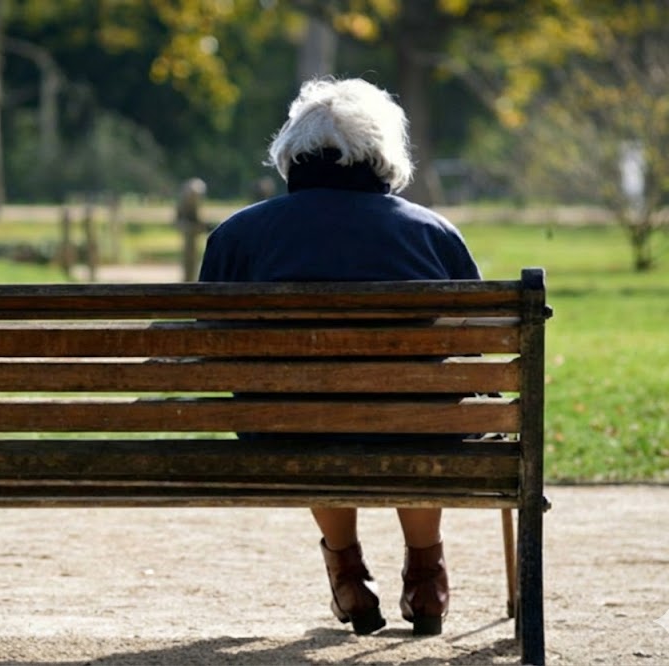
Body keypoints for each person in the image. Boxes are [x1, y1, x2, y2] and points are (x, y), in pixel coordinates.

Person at [198, 77, 481, 637]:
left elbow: (209, 341)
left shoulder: (238, 236)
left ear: (292, 151)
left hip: (287, 429)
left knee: (305, 412)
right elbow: (475, 343)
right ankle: (426, 575)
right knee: (425, 411)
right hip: (420, 426)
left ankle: (347, 574)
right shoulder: (432, 233)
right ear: (382, 152)